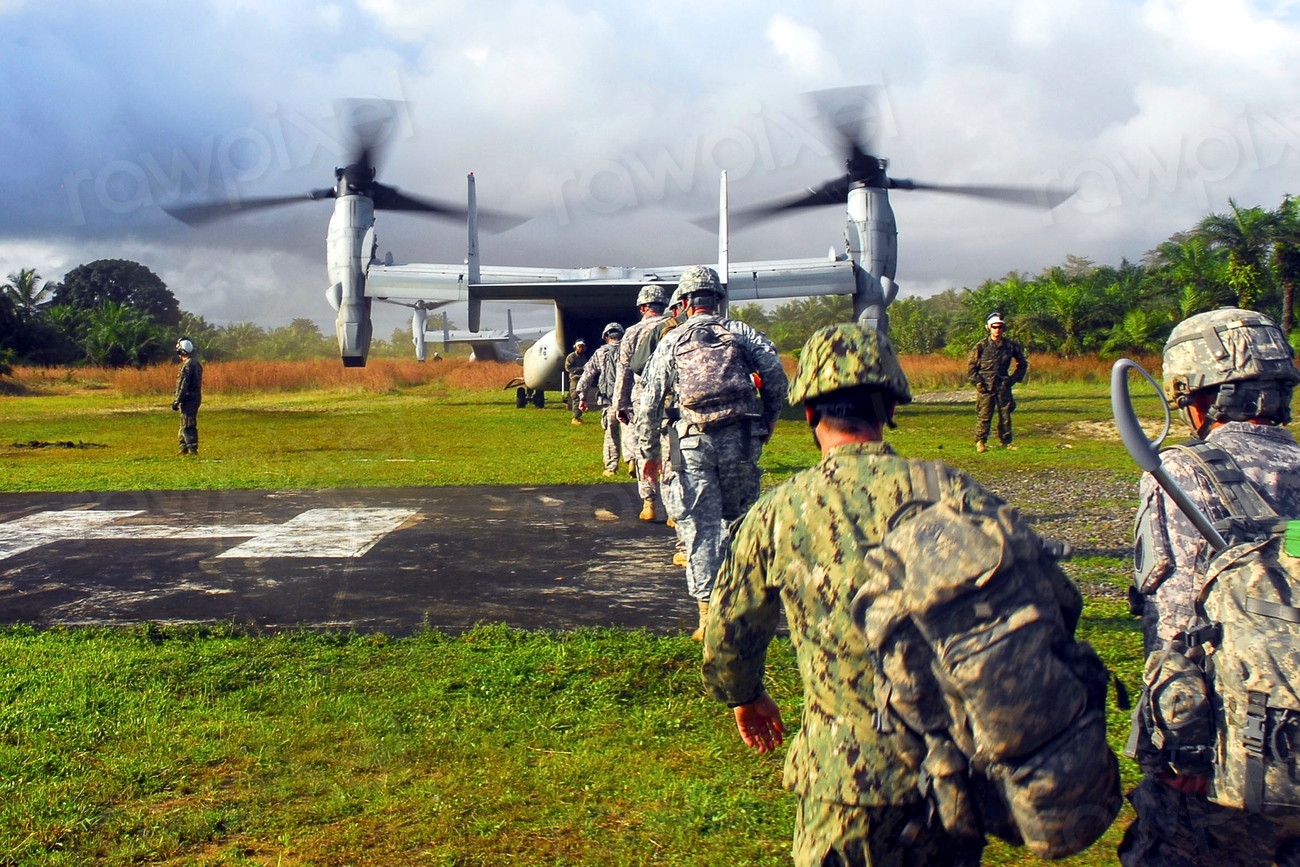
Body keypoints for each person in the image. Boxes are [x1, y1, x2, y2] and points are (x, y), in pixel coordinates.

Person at [702, 323, 1040, 867]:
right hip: (951, 781)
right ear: (888, 407)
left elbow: (727, 636)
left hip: (845, 784)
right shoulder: (954, 492)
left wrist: (744, 695)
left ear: (810, 413)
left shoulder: (778, 514)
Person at [1121, 307, 1300, 866]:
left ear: (1193, 394)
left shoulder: (1181, 473)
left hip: (1233, 768)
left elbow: (1172, 624)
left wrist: (1179, 754)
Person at [637, 265, 787, 640]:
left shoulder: (671, 342)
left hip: (692, 444)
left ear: (684, 303)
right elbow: (776, 374)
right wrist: (768, 418)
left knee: (701, 530)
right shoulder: (740, 333)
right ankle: (744, 607)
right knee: (740, 525)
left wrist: (650, 452)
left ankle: (707, 617)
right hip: (740, 440)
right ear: (718, 299)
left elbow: (649, 402)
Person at [615, 284, 669, 521]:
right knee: (671, 451)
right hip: (671, 398)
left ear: (643, 307)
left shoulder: (632, 332)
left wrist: (620, 403)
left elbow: (624, 371)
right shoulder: (674, 327)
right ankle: (674, 510)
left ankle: (649, 504)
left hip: (643, 397)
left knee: (643, 448)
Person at [966, 311, 1027, 452]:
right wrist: (977, 382)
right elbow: (971, 367)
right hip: (985, 385)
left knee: (1005, 415)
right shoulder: (980, 346)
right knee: (984, 415)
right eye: (994, 326)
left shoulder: (1010, 346)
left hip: (1003, 384)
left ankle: (1006, 442)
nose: (997, 329)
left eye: (999, 327)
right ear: (989, 328)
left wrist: (1013, 379)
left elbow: (1022, 364)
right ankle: (980, 442)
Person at [576, 322, 627, 477]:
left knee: (611, 433)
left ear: (606, 337)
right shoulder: (629, 350)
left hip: (609, 401)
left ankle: (611, 468)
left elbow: (587, 376)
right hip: (628, 403)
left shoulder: (600, 353)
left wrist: (581, 397)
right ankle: (633, 461)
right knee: (631, 433)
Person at [172, 337, 203, 455]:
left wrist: (177, 400)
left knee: (187, 424)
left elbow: (184, 384)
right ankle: (183, 447)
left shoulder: (188, 365)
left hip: (189, 399)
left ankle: (192, 449)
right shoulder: (196, 363)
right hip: (194, 397)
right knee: (184, 423)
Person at [564, 338, 590, 425]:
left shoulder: (583, 357)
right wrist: (580, 369)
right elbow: (568, 368)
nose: (581, 349)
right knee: (576, 398)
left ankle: (579, 417)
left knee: (581, 398)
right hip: (575, 380)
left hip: (582, 379)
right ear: (575, 347)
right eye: (579, 347)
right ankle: (575, 418)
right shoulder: (571, 357)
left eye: (582, 347)